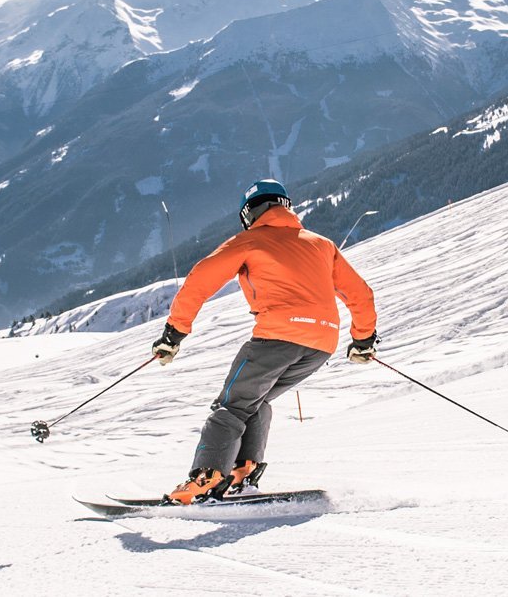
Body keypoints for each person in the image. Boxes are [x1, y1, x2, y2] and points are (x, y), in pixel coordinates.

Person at [151, 179, 378, 504]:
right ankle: (243, 473)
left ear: (249, 213)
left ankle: (206, 479)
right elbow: (359, 294)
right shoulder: (321, 244)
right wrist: (363, 339)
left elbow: (200, 280)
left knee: (231, 406)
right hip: (321, 342)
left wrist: (174, 333)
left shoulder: (250, 241)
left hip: (276, 337)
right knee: (255, 401)